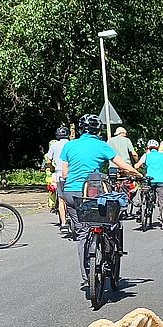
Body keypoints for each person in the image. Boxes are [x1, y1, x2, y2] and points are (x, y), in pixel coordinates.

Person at [59, 114, 140, 286]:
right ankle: (109, 248)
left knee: (82, 234)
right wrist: (139, 175)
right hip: (92, 192)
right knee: (107, 220)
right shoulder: (102, 146)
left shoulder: (69, 146)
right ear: (98, 130)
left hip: (71, 194)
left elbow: (64, 173)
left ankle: (87, 276)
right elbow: (122, 165)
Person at [135, 139, 163, 227]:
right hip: (161, 180)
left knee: (144, 192)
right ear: (157, 148)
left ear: (148, 148)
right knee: (162, 201)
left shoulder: (146, 155)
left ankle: (143, 205)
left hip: (150, 180)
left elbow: (137, 166)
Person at [45, 126, 70, 224]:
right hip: (72, 174)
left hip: (59, 173)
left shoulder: (54, 145)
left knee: (61, 198)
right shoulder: (72, 144)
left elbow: (48, 160)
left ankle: (63, 223)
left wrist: (51, 168)